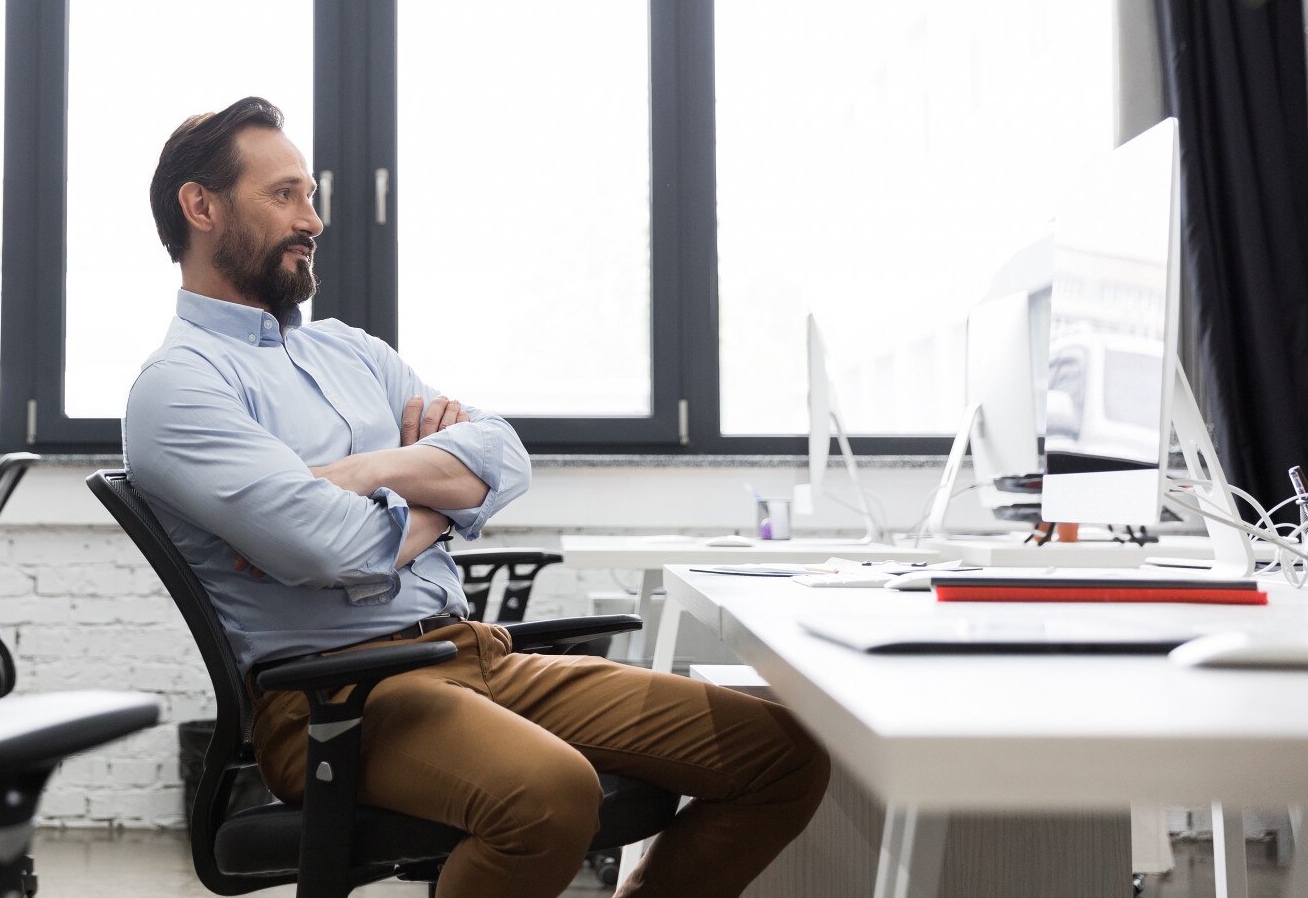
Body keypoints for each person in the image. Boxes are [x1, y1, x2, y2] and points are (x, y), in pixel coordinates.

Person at [123, 97, 829, 898]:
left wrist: (363, 474)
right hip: (340, 700)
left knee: (780, 753)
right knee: (550, 794)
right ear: (201, 205)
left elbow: (503, 454)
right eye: (284, 194)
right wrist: (440, 489)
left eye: (311, 195)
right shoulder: (178, 389)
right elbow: (334, 549)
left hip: (475, 651)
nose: (312, 218)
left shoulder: (350, 350)